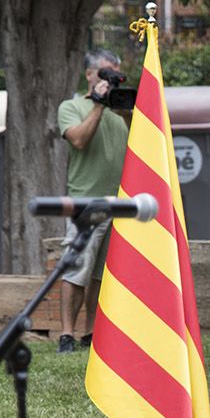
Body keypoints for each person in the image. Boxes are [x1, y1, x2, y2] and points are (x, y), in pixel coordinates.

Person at [55, 49, 130, 353]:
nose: (111, 79)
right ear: (89, 74)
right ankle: (67, 334)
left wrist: (121, 105)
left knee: (101, 274)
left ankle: (91, 333)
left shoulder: (120, 112)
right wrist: (98, 105)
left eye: (116, 72)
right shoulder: (71, 106)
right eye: (105, 72)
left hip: (119, 203)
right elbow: (78, 140)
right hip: (85, 202)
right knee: (77, 270)